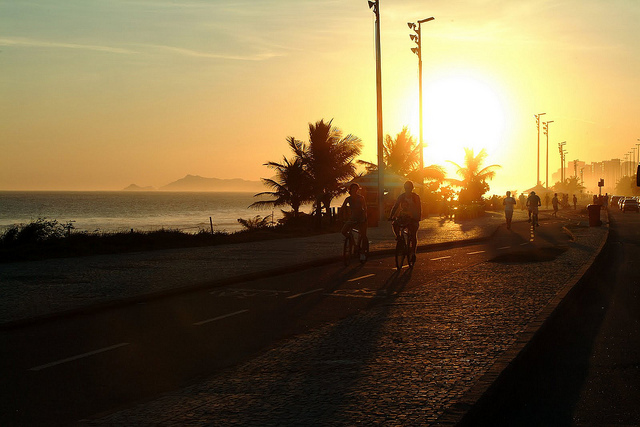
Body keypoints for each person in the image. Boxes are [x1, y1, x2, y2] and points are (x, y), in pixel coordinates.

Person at [389, 180, 421, 263]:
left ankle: (413, 253)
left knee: (413, 234)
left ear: (412, 188)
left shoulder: (415, 197)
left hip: (413, 218)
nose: (407, 189)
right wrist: (391, 216)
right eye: (406, 188)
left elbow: (419, 208)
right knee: (395, 224)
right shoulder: (401, 197)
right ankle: (399, 237)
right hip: (403, 217)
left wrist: (418, 217)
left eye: (409, 188)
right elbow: (395, 206)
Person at [341, 183, 368, 261]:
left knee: (363, 235)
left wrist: (365, 217)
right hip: (352, 218)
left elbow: (365, 208)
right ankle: (354, 244)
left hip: (361, 218)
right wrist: (341, 217)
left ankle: (362, 253)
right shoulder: (348, 199)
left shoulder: (361, 198)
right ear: (350, 189)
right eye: (353, 188)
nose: (355, 190)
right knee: (344, 231)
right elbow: (343, 208)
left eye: (356, 189)